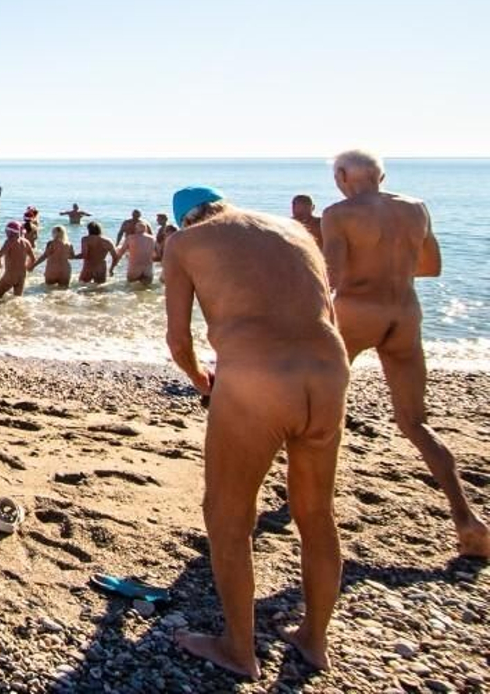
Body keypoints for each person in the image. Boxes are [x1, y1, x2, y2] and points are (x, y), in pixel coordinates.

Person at [162, 186, 349, 677]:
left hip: (255, 378)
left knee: (227, 514)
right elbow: (326, 311)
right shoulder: (296, 231)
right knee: (315, 512)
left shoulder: (186, 243)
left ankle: (238, 650)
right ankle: (314, 638)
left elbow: (178, 339)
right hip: (329, 373)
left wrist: (201, 380)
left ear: (186, 220)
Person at [323, 150, 488, 557]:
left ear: (343, 175)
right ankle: (467, 519)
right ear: (383, 175)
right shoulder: (416, 209)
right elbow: (432, 267)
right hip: (405, 315)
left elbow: (332, 277)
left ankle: (305, 501)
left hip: (357, 314)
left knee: (319, 407)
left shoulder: (339, 214)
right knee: (414, 421)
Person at [0, 222, 36, 301]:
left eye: (6, 230)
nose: (5, 232)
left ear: (10, 231)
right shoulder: (26, 242)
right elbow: (33, 259)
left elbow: (1, 254)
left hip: (10, 275)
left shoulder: (9, 241)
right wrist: (29, 267)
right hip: (22, 275)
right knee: (17, 298)